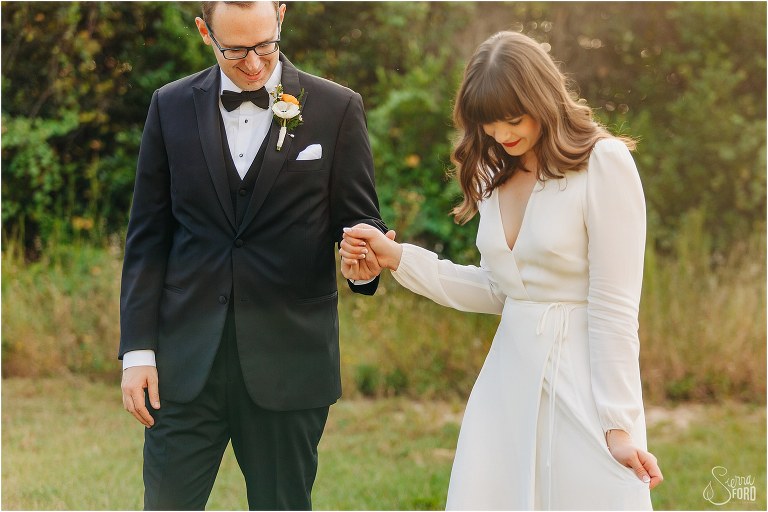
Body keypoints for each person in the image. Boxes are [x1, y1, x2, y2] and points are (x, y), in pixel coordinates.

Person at [340, 31, 663, 510]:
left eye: (513, 120)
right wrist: (399, 258)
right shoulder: (493, 173)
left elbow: (614, 307)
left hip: (582, 383)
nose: (501, 135)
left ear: (543, 100)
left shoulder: (602, 163)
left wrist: (617, 424)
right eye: (488, 123)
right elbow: (498, 290)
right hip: (506, 383)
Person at [118, 2, 390, 509]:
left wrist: (362, 266)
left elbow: (360, 223)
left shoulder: (337, 108)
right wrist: (137, 353)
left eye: (265, 45)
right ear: (205, 32)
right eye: (235, 50)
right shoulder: (169, 106)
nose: (253, 63)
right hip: (184, 366)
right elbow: (147, 239)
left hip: (290, 366)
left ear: (281, 16)